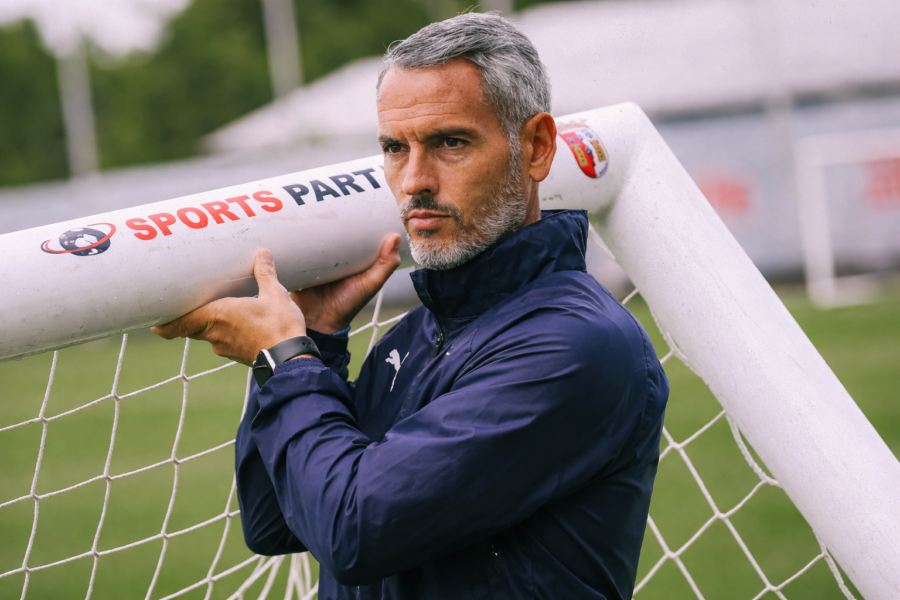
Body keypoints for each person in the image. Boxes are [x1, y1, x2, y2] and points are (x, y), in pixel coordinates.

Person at [153, 12, 668, 600]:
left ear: (536, 147)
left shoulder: (576, 345)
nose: (414, 181)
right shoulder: (418, 336)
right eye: (395, 148)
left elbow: (354, 532)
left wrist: (285, 360)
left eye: (451, 142)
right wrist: (316, 338)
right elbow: (277, 521)